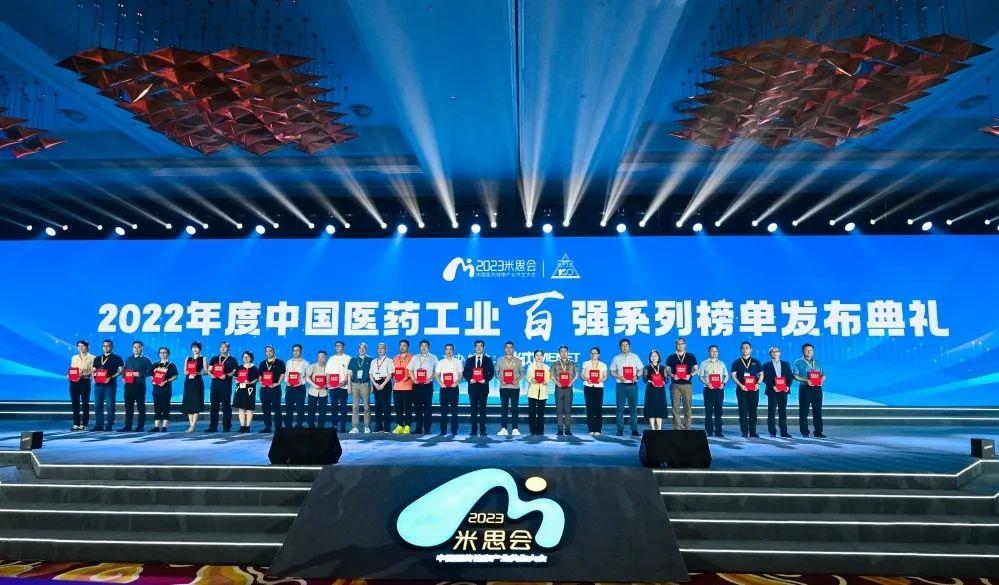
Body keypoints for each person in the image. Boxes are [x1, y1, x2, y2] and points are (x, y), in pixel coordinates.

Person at [610, 338, 643, 437]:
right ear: (620, 347)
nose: (625, 347)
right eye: (623, 345)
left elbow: (641, 369)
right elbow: (612, 371)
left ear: (629, 346)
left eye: (626, 345)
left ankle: (634, 429)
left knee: (633, 408)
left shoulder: (635, 357)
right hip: (621, 386)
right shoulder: (616, 358)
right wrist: (618, 376)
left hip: (632, 385)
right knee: (620, 408)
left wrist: (636, 376)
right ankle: (620, 429)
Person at [731, 341, 764, 438]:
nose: (745, 349)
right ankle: (744, 432)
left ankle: (753, 432)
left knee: (753, 411)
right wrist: (741, 385)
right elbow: (733, 376)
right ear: (741, 349)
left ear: (751, 349)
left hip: (754, 390)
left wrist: (758, 383)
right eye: (743, 348)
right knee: (743, 411)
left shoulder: (756, 362)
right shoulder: (736, 362)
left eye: (747, 348)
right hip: (742, 390)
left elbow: (761, 374)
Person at [793, 343, 827, 438]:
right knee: (804, 411)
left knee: (817, 410)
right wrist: (806, 380)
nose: (809, 352)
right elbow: (795, 375)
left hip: (817, 388)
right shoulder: (798, 362)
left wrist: (822, 380)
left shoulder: (817, 362)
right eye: (807, 350)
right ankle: (804, 432)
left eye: (811, 350)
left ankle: (818, 432)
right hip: (805, 388)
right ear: (803, 351)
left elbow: (823, 374)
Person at [462, 339, 494, 436]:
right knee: (473, 410)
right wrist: (470, 379)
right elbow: (465, 372)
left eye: (481, 346)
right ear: (475, 347)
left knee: (483, 411)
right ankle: (473, 430)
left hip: (483, 388)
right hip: (473, 388)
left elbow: (492, 373)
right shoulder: (470, 359)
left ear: (483, 348)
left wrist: (485, 380)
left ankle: (483, 430)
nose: (479, 347)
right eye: (477, 346)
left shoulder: (488, 359)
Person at [664, 338, 698, 430]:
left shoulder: (691, 356)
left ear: (685, 345)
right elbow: (667, 370)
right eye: (678, 344)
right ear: (676, 345)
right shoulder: (671, 357)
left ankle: (687, 426)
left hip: (687, 385)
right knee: (675, 408)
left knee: (688, 407)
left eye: (682, 343)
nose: (680, 345)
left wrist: (690, 375)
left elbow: (696, 370)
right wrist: (672, 375)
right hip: (675, 385)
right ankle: (677, 427)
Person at [91, 339, 123, 432]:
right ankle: (99, 425)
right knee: (97, 406)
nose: (106, 348)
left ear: (112, 347)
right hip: (98, 385)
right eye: (104, 346)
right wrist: (93, 377)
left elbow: (120, 371)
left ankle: (109, 425)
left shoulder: (117, 358)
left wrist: (111, 377)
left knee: (110, 406)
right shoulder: (97, 358)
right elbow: (93, 370)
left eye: (108, 346)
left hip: (110, 385)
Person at [698, 345, 729, 437]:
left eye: (716, 351)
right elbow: (701, 376)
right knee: (708, 411)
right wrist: (707, 384)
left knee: (718, 411)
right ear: (709, 352)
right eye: (712, 351)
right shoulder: (704, 363)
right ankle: (709, 431)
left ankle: (719, 431)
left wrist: (723, 383)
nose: (714, 353)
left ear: (718, 353)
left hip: (719, 390)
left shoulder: (722, 363)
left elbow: (726, 375)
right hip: (708, 390)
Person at [121, 340, 153, 432]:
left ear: (142, 348)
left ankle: (140, 426)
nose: (136, 349)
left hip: (139, 385)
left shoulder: (146, 359)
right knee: (128, 406)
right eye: (134, 347)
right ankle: (128, 426)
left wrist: (140, 374)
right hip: (128, 385)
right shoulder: (128, 359)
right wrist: (123, 378)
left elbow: (150, 372)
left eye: (138, 347)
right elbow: (125, 370)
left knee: (140, 406)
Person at [207, 341, 238, 432]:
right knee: (214, 407)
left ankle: (226, 427)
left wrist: (227, 375)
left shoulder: (232, 360)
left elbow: (235, 372)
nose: (223, 348)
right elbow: (209, 370)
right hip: (215, 386)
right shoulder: (214, 358)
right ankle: (213, 427)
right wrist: (211, 374)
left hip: (226, 386)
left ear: (229, 349)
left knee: (226, 407)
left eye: (225, 347)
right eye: (221, 347)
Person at [409, 340, 438, 435]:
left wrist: (431, 379)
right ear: (420, 347)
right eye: (422, 346)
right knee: (417, 408)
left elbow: (436, 371)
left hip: (427, 385)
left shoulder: (433, 357)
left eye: (425, 346)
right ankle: (418, 428)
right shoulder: (415, 357)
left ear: (428, 347)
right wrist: (413, 379)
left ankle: (427, 429)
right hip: (416, 385)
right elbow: (410, 370)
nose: (424, 347)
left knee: (427, 408)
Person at [763, 346, 793, 438]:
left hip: (783, 390)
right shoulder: (766, 365)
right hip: (772, 390)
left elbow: (790, 376)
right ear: (770, 354)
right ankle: (772, 432)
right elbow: (764, 378)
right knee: (771, 412)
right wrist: (773, 386)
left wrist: (788, 386)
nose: (775, 353)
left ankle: (784, 432)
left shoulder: (786, 364)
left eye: (776, 351)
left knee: (783, 412)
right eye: (772, 351)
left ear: (779, 353)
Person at [496, 341, 524, 436]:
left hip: (515, 387)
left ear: (513, 349)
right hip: (503, 387)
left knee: (514, 408)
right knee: (504, 408)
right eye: (507, 347)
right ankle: (503, 428)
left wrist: (517, 380)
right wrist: (501, 380)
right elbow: (496, 373)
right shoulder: (499, 360)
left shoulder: (518, 360)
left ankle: (515, 428)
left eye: (510, 347)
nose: (508, 349)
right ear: (504, 349)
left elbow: (522, 373)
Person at [436, 343, 463, 436]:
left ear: (453, 351)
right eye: (447, 349)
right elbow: (437, 375)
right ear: (444, 351)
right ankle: (443, 431)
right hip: (444, 389)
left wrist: (457, 382)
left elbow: (460, 374)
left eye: (450, 349)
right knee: (443, 411)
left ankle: (454, 431)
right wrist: (441, 383)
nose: (448, 351)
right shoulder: (440, 362)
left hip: (454, 388)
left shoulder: (458, 362)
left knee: (454, 411)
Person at [325, 340, 352, 433]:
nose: (337, 347)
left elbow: (349, 373)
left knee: (343, 408)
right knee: (334, 407)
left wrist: (344, 382)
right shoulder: (331, 359)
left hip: (343, 387)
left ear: (343, 347)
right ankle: (335, 426)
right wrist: (328, 383)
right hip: (333, 387)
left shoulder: (348, 358)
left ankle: (343, 427)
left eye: (339, 345)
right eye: (336, 345)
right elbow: (327, 373)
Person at [150, 347, 178, 432]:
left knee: (166, 407)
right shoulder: (155, 364)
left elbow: (175, 376)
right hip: (156, 389)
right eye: (161, 352)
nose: (162, 354)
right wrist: (153, 380)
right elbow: (152, 375)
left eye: (164, 352)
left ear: (168, 354)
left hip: (166, 389)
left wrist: (166, 381)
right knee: (157, 407)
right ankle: (156, 427)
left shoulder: (171, 365)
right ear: (159, 354)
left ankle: (164, 427)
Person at [258, 345, 286, 433]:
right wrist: (260, 382)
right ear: (265, 353)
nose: (268, 353)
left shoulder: (280, 362)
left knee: (277, 409)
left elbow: (282, 374)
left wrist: (277, 383)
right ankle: (267, 427)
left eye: (270, 351)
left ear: (273, 351)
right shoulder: (262, 363)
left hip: (275, 389)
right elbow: (260, 375)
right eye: (267, 351)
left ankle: (278, 428)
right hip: (264, 389)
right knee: (266, 409)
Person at [68, 340, 94, 431]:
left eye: (83, 346)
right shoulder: (74, 357)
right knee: (75, 403)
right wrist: (69, 375)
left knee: (85, 403)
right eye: (79, 346)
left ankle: (84, 424)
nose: (81, 348)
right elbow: (72, 369)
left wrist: (84, 375)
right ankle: (76, 424)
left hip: (85, 382)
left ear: (87, 347)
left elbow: (93, 371)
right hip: (74, 382)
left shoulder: (92, 358)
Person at [182, 341, 208, 432]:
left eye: (197, 347)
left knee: (196, 403)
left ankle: (193, 425)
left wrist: (198, 373)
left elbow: (206, 372)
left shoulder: (203, 358)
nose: (195, 349)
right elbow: (184, 371)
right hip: (188, 382)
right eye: (193, 347)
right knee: (189, 403)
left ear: (200, 349)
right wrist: (187, 372)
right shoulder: (188, 358)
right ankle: (191, 424)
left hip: (197, 382)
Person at [582, 347, 608, 435]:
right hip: (588, 386)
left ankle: (598, 429)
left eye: (595, 353)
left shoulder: (603, 365)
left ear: (598, 354)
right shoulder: (586, 363)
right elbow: (582, 375)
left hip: (599, 387)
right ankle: (591, 429)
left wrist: (600, 380)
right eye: (592, 353)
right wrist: (587, 379)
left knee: (598, 408)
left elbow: (605, 377)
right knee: (589, 408)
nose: (593, 355)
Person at [552, 345, 578, 436]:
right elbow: (551, 375)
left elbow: (576, 374)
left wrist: (572, 382)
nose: (563, 353)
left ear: (568, 352)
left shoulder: (573, 363)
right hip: (558, 388)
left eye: (565, 351)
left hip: (569, 388)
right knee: (559, 410)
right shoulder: (555, 363)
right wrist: (556, 382)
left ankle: (568, 429)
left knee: (568, 410)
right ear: (559, 353)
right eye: (561, 351)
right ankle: (559, 429)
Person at [348, 342, 374, 434]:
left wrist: (372, 385)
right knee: (355, 407)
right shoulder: (353, 359)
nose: (362, 350)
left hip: (365, 384)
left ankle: (367, 426)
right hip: (354, 384)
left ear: (366, 349)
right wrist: (349, 386)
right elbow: (349, 374)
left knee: (366, 406)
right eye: (360, 348)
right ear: (358, 349)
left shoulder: (370, 359)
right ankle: (355, 427)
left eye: (364, 348)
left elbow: (372, 374)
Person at [525, 350, 551, 436]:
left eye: (540, 355)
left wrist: (546, 381)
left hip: (543, 392)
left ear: (543, 357)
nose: (539, 357)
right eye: (537, 355)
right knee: (532, 412)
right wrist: (531, 379)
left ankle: (540, 430)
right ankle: (532, 430)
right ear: (534, 357)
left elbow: (549, 377)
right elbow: (527, 377)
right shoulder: (531, 367)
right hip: (533, 392)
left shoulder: (547, 367)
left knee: (541, 413)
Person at [391, 339, 414, 434]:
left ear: (407, 347)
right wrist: (394, 376)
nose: (402, 347)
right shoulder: (395, 358)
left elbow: (414, 371)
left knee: (407, 408)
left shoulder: (412, 358)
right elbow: (392, 372)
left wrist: (408, 376)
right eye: (401, 345)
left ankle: (408, 426)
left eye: (404, 345)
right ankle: (399, 425)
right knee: (398, 408)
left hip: (408, 387)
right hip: (397, 387)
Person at [284, 344, 310, 429]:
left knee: (300, 408)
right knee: (289, 407)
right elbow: (286, 374)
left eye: (297, 350)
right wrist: (286, 381)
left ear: (301, 351)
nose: (295, 352)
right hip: (289, 387)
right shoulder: (288, 362)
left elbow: (307, 376)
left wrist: (301, 382)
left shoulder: (306, 363)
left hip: (300, 388)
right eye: (294, 350)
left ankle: (299, 425)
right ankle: (288, 425)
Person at [369, 342, 393, 432]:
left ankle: (387, 428)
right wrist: (374, 384)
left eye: (382, 348)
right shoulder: (373, 361)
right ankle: (378, 427)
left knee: (386, 407)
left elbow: (390, 374)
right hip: (376, 383)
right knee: (377, 407)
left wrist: (383, 384)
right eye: (378, 348)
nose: (380, 350)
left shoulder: (389, 360)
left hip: (385, 383)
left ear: (385, 350)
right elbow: (370, 374)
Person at [234, 351, 259, 433]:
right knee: (240, 408)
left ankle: (248, 426)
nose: (245, 358)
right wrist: (237, 380)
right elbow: (235, 377)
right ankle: (242, 426)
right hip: (240, 389)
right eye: (244, 356)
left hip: (249, 390)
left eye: (247, 356)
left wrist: (250, 382)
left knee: (249, 408)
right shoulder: (239, 367)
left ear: (251, 358)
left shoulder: (254, 368)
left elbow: (257, 379)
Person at [643, 350, 668, 431]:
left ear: (658, 357)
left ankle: (659, 428)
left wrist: (664, 382)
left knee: (659, 408)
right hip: (651, 390)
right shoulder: (647, 367)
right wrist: (650, 381)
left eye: (655, 356)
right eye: (652, 356)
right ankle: (653, 428)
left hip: (660, 390)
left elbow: (666, 378)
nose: (654, 357)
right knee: (651, 408)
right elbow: (644, 378)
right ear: (650, 358)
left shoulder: (663, 367)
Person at [306, 350, 329, 428]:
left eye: (323, 357)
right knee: (311, 410)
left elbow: (329, 379)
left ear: (326, 358)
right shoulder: (312, 366)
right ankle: (311, 426)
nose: (320, 359)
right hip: (313, 392)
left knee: (323, 411)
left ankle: (321, 427)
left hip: (323, 392)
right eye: (319, 357)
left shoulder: (328, 367)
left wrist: (327, 385)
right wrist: (315, 385)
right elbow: (307, 377)